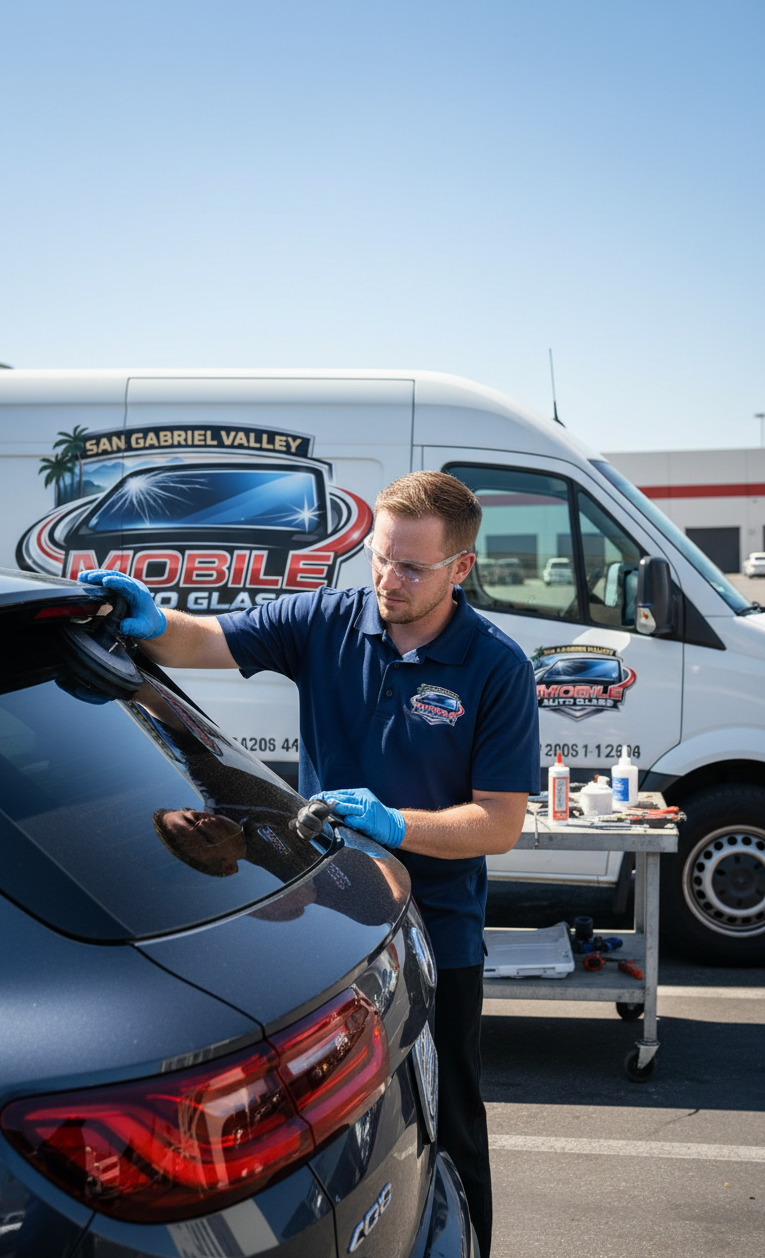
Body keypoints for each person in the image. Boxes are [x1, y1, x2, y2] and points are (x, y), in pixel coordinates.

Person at [80, 470, 540, 1258]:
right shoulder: (328, 619)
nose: (387, 580)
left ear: (460, 568)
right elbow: (205, 642)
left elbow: (497, 824)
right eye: (378, 556)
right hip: (325, 920)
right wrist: (151, 621)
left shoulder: (496, 667)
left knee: (448, 1119)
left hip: (436, 935)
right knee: (337, 1129)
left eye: (411, 568)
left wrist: (396, 823)